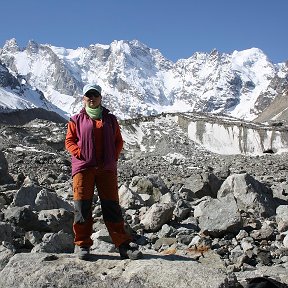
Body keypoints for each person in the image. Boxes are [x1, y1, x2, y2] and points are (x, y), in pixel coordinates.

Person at [65, 83, 142, 260]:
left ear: (100, 97)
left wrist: (113, 156)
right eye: (88, 95)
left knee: (111, 206)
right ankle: (82, 244)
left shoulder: (110, 119)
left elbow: (118, 141)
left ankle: (123, 244)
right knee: (82, 206)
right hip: (84, 168)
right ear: (83, 98)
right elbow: (69, 141)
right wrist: (80, 153)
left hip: (106, 169)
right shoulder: (76, 119)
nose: (92, 98)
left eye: (95, 95)